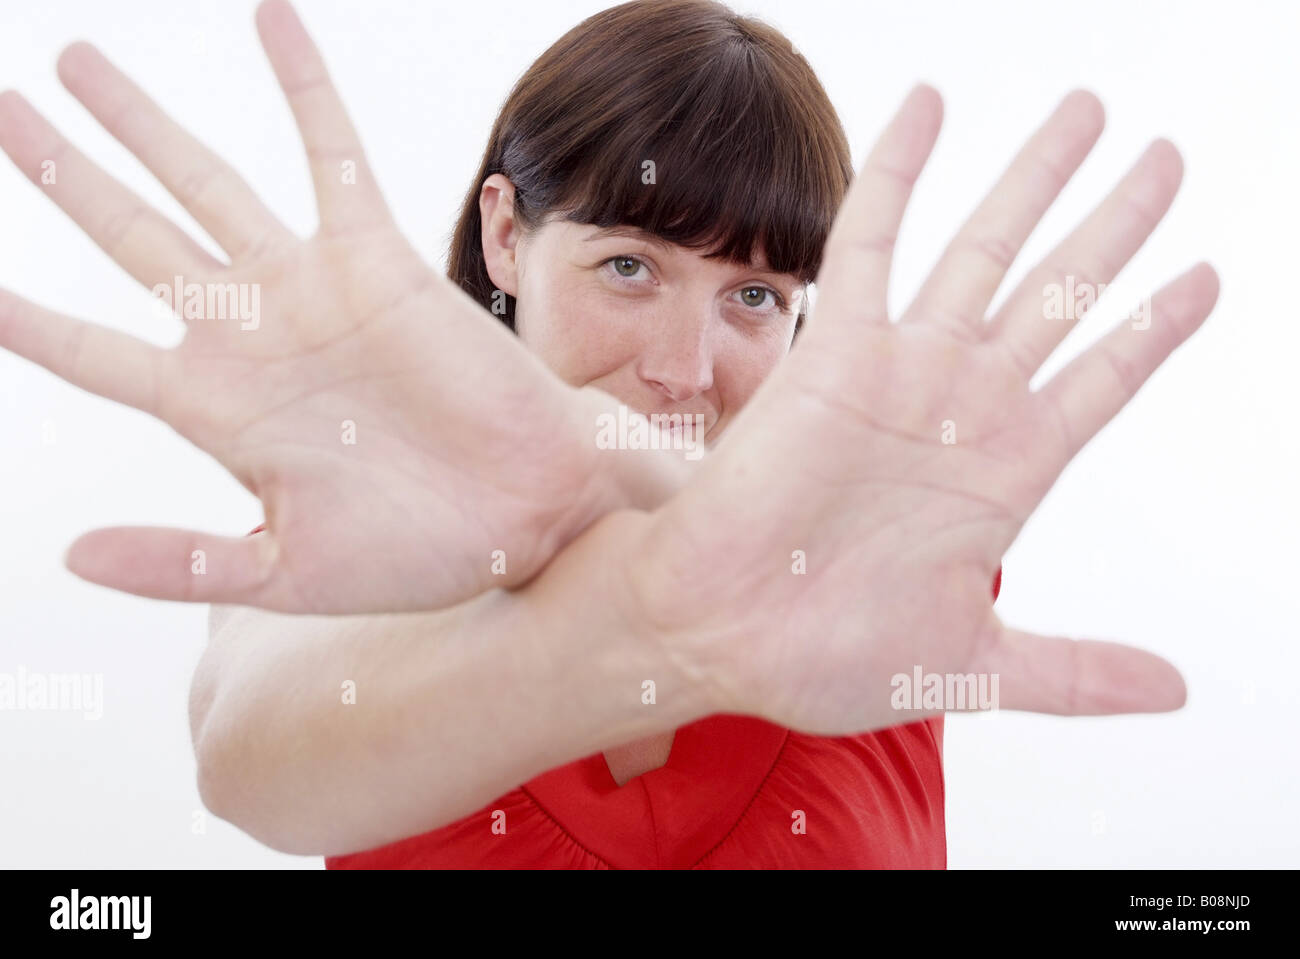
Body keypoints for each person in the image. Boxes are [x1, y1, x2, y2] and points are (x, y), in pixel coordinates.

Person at [0, 0, 1218, 867]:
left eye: (755, 296)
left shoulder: (870, 563)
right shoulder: (370, 532)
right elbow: (246, 764)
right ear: (505, 235)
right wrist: (618, 554)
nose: (684, 368)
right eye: (629, 265)